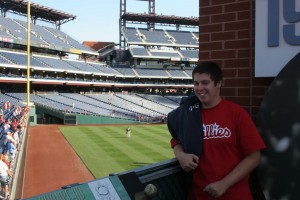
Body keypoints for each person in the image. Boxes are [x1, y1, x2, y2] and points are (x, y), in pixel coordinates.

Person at [167, 61, 266, 200]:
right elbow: (176, 140)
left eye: (205, 82)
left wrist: (224, 184)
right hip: (198, 195)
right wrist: (180, 155)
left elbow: (254, 157)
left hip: (234, 195)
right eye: (196, 83)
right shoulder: (189, 114)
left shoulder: (236, 113)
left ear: (218, 83)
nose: (199, 88)